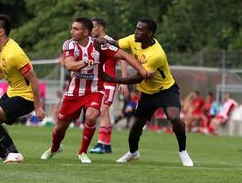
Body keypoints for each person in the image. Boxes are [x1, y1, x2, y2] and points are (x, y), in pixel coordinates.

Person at [40, 17, 151, 164]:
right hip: (74, 91)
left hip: (94, 90)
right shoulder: (69, 44)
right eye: (72, 28)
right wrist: (85, 62)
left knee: (92, 116)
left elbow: (124, 55)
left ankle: (83, 152)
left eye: (75, 29)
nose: (71, 31)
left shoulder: (99, 45)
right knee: (60, 128)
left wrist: (142, 72)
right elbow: (69, 65)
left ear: (86, 32)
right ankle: (54, 148)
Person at [100, 18, 194, 166]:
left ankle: (183, 151)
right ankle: (133, 152)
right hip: (147, 93)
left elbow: (138, 78)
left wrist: (112, 79)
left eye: (140, 30)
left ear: (149, 34)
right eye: (136, 28)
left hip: (166, 90)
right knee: (136, 126)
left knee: (174, 117)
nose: (136, 32)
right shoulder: (133, 39)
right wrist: (102, 40)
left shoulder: (156, 54)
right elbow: (116, 43)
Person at [0, 14, 45, 163]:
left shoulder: (14, 53)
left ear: (1, 32)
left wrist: (38, 106)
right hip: (12, 93)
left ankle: (14, 153)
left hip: (26, 97)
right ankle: (4, 153)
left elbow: (34, 80)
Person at [89, 18, 129, 154]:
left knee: (103, 110)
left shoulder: (109, 41)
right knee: (102, 111)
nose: (91, 30)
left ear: (100, 28)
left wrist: (123, 80)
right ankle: (107, 145)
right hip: (98, 82)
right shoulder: (93, 42)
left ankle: (101, 143)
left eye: (93, 27)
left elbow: (123, 59)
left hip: (109, 82)